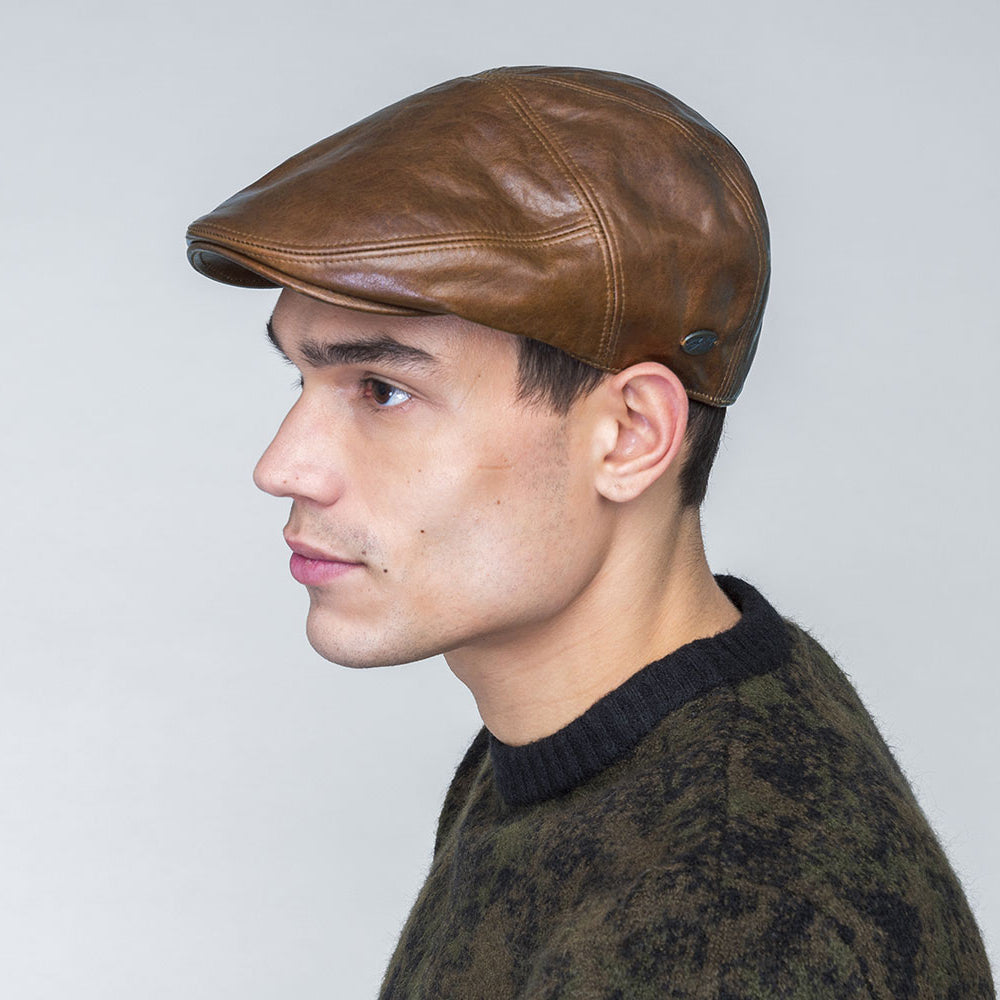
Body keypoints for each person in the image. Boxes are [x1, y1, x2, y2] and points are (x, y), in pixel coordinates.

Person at [186, 67, 994, 998]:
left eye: (383, 389)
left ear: (631, 435)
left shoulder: (731, 922)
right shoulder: (597, 737)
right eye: (302, 380)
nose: (283, 466)